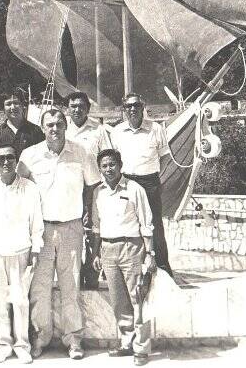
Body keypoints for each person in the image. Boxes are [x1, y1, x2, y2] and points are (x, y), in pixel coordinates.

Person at [18, 108, 100, 360]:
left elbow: (92, 186)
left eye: (59, 124)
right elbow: (18, 189)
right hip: (41, 230)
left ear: (66, 126)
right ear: (42, 128)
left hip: (71, 227)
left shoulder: (81, 152)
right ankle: (40, 337)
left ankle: (74, 340)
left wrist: (88, 214)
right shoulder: (29, 155)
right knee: (39, 288)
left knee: (71, 286)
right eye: (50, 125)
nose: (55, 129)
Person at [0, 144, 43, 364]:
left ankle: (22, 345)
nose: (5, 162)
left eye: (10, 158)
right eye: (1, 159)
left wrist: (35, 249)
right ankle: (4, 344)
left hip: (21, 251)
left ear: (16, 161)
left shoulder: (29, 188)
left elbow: (36, 223)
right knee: (0, 301)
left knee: (20, 301)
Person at [91, 149, 155, 367]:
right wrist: (97, 253)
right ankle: (127, 343)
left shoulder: (135, 189)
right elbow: (97, 226)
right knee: (119, 301)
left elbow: (146, 223)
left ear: (120, 165)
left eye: (112, 165)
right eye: (104, 166)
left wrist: (150, 253)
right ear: (100, 169)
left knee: (138, 299)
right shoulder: (98, 192)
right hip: (108, 250)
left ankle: (141, 349)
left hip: (132, 247)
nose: (108, 169)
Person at [111, 93, 173, 275]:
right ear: (124, 109)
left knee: (154, 224)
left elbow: (166, 158)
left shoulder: (155, 129)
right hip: (126, 181)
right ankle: (130, 266)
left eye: (136, 106)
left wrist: (154, 175)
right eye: (128, 106)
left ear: (142, 107)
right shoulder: (117, 132)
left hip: (149, 182)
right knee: (126, 223)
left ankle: (162, 267)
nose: (132, 109)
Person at [64, 92, 113, 290]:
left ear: (88, 109)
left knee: (94, 231)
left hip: (93, 188)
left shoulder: (99, 130)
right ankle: (72, 277)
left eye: (81, 106)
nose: (77, 109)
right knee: (71, 230)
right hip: (69, 189)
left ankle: (92, 276)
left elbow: (108, 157)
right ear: (68, 109)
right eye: (73, 106)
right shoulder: (62, 129)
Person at [0, 89, 44, 161]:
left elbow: (42, 157)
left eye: (16, 103)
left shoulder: (35, 131)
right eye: (8, 104)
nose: (13, 107)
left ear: (22, 106)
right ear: (3, 108)